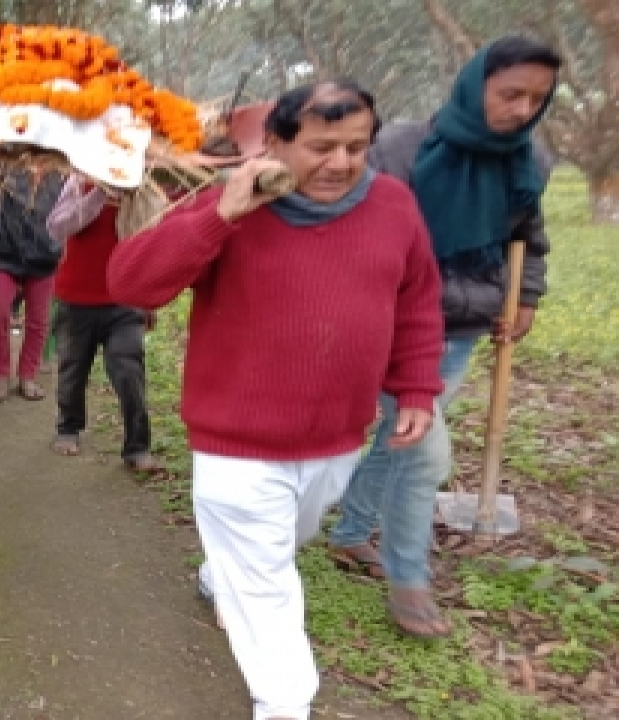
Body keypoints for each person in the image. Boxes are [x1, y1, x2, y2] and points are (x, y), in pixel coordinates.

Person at [107, 80, 444, 720]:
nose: (341, 163)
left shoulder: (394, 205)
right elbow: (132, 283)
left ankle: (217, 575)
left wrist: (418, 385)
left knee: (281, 544)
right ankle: (284, 703)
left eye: (356, 147)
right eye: (321, 146)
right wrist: (221, 214)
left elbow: (417, 299)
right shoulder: (228, 203)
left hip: (336, 436)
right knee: (266, 588)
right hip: (237, 443)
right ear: (277, 143)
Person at [328, 36, 560, 639]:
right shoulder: (401, 147)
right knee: (424, 448)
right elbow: (356, 227)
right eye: (510, 93)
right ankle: (410, 578)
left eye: (536, 98)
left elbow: (527, 233)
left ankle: (351, 534)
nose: (521, 109)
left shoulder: (528, 159)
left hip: (463, 326)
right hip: (395, 324)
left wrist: (526, 294)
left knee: (399, 435)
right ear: (474, 83)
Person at [45, 175, 160, 471]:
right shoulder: (77, 183)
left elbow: (152, 244)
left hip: (125, 300)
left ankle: (137, 447)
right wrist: (98, 195)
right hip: (76, 299)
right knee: (73, 367)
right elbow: (57, 227)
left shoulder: (142, 192)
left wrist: (149, 299)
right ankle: (68, 428)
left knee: (128, 368)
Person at [0, 164, 64, 402]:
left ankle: (28, 375)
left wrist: (57, 246)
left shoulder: (61, 170)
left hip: (44, 256)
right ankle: (1, 373)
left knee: (38, 321)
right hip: (3, 256)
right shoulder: (1, 165)